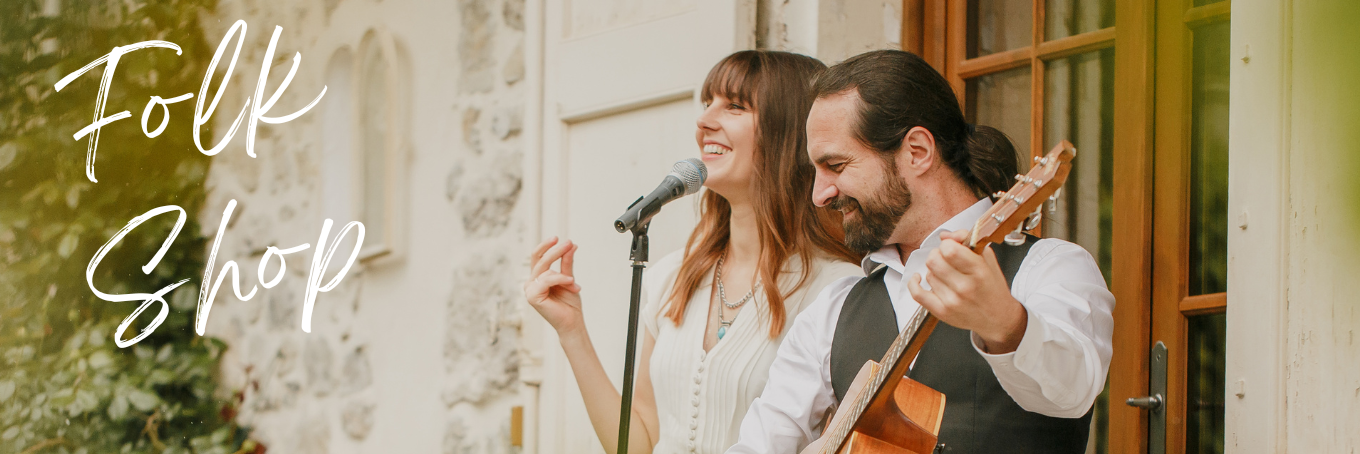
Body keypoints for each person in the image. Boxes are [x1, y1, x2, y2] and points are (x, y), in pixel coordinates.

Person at [727, 49, 1115, 453]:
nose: (820, 195)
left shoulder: (1049, 268)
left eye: (836, 166)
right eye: (816, 172)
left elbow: (1073, 391)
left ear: (917, 151)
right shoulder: (834, 309)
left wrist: (1006, 324)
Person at [523, 50, 864, 454]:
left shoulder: (838, 291)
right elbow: (639, 442)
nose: (704, 121)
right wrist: (572, 332)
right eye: (707, 103)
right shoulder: (672, 276)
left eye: (734, 106)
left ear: (789, 131)